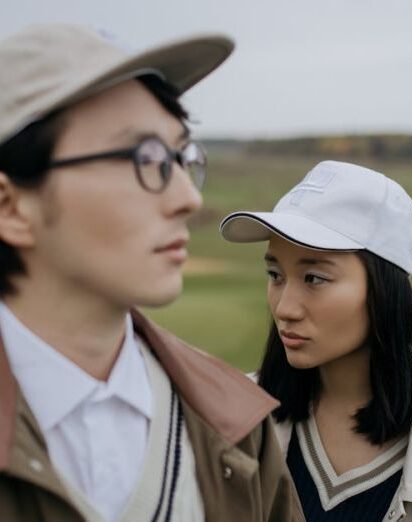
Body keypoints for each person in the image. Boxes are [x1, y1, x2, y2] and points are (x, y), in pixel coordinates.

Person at [0, 24, 303, 522]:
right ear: (11, 207)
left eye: (184, 158)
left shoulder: (237, 422)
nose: (188, 197)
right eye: (145, 158)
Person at [220, 160, 412, 521]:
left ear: (384, 289)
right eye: (275, 274)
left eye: (314, 278)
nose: (284, 308)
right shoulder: (227, 424)